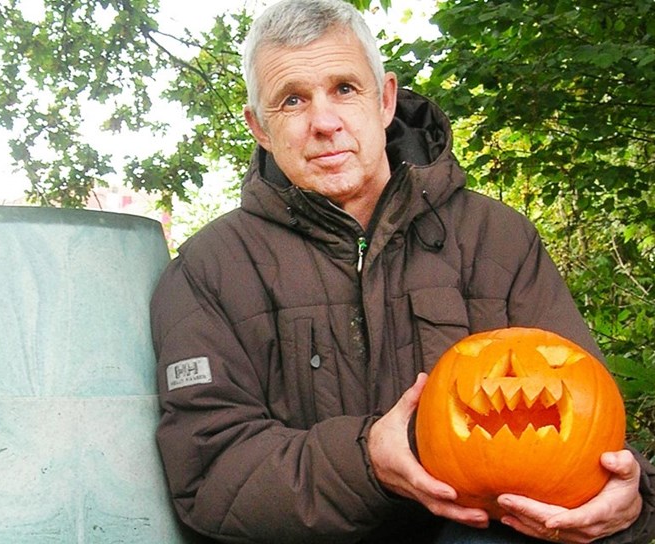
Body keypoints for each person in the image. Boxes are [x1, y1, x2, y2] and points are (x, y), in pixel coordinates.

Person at [148, 0, 655, 542]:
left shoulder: (497, 239)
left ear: (385, 99)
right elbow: (211, 475)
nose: (325, 122)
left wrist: (632, 500)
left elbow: (585, 421)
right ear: (260, 128)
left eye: (345, 88)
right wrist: (367, 462)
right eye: (292, 100)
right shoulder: (209, 270)